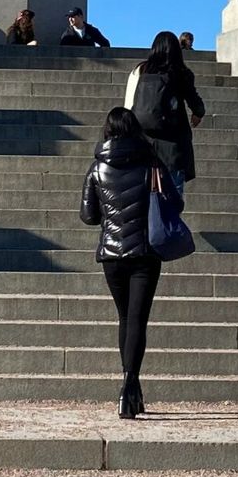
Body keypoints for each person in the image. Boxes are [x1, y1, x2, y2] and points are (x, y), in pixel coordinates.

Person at [78, 105, 165, 420]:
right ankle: (130, 385)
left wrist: (110, 213)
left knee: (125, 318)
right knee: (137, 321)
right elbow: (174, 201)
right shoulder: (152, 162)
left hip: (112, 255)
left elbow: (88, 216)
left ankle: (131, 388)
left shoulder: (97, 167)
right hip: (144, 252)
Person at [128, 31, 205, 186]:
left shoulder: (140, 70)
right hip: (173, 145)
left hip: (144, 144)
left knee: (147, 200)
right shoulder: (181, 72)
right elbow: (193, 99)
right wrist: (199, 112)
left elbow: (129, 103)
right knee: (172, 202)